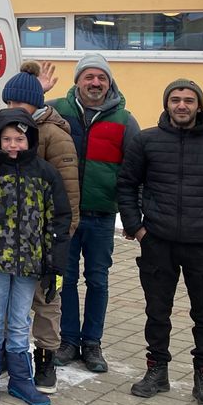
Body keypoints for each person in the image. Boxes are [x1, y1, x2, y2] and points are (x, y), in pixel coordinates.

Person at [119, 80, 203, 405]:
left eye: (189, 100)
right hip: (158, 242)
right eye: (175, 100)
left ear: (199, 106)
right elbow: (127, 186)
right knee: (157, 312)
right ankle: (156, 371)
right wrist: (137, 228)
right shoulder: (147, 141)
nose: (182, 105)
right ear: (167, 104)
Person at [0, 109, 70, 405]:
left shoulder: (44, 172)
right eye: (6, 139)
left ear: (30, 140)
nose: (13, 145)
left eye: (19, 139)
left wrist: (54, 263)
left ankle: (22, 379)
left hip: (30, 263)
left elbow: (58, 219)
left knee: (21, 321)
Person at [49, 53, 140, 374]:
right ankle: (69, 340)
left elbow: (134, 172)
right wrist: (38, 92)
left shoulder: (125, 121)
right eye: (89, 77)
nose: (95, 83)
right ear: (77, 81)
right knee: (67, 278)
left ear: (109, 82)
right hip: (64, 214)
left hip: (102, 216)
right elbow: (23, 127)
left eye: (101, 77)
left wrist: (133, 215)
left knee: (98, 280)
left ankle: (92, 344)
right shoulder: (56, 110)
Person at [0, 62, 81, 393]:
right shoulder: (4, 133)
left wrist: (59, 243)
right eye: (9, 103)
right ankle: (9, 355)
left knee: (47, 300)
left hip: (46, 239)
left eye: (20, 104)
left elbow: (70, 199)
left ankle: (46, 360)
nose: (14, 109)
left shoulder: (55, 136)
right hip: (8, 239)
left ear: (36, 103)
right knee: (8, 301)